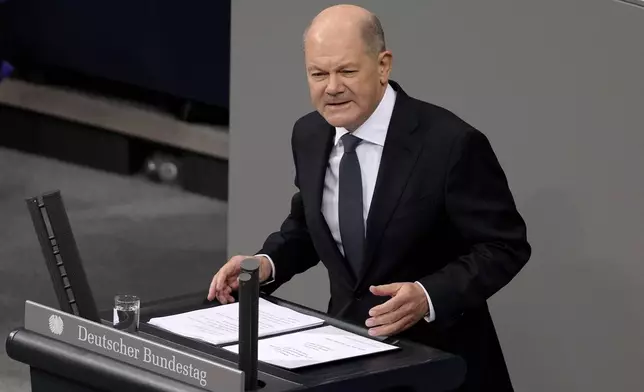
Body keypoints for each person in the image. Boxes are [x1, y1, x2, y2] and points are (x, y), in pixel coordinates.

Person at [208, 4, 530, 391]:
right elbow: (310, 225)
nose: (332, 87)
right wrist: (265, 263)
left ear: (383, 66)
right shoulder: (309, 134)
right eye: (318, 74)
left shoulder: (450, 144)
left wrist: (428, 296)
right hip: (345, 359)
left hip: (438, 367)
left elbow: (504, 245)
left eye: (346, 71)